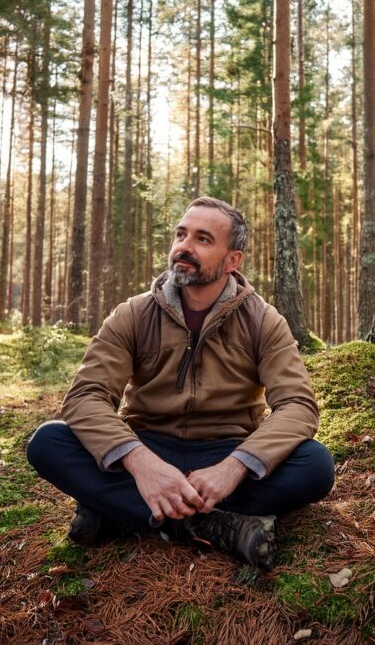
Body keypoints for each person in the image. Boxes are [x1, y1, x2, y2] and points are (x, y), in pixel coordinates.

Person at [26, 197, 335, 569]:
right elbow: (86, 397)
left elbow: (298, 406)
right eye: (180, 235)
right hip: (147, 446)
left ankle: (122, 513)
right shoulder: (134, 314)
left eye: (203, 239)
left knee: (315, 465)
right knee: (48, 442)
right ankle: (217, 525)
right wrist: (141, 464)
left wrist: (234, 467)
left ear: (232, 260)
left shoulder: (264, 321)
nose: (184, 247)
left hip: (224, 452)